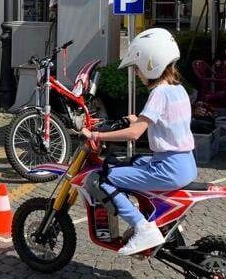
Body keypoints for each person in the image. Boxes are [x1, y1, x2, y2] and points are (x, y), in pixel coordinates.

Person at [80, 28, 196, 256]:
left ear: (150, 63)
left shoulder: (159, 93)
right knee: (131, 162)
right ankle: (150, 217)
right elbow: (161, 122)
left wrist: (97, 135)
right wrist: (135, 119)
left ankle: (143, 228)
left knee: (99, 178)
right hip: (184, 164)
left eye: (137, 68)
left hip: (167, 168)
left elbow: (134, 134)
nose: (137, 74)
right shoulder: (178, 89)